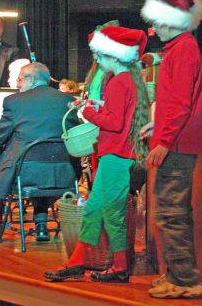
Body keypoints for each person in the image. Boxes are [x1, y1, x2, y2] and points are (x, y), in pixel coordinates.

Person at [44, 26, 149, 283]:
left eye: (100, 55)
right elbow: (122, 116)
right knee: (93, 210)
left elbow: (113, 123)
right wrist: (96, 106)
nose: (97, 60)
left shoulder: (117, 82)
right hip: (121, 153)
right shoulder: (130, 80)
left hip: (116, 155)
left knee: (111, 213)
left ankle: (121, 268)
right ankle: (77, 262)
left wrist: (86, 112)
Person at [139, 0, 202, 299]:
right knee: (173, 210)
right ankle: (177, 274)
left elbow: (181, 102)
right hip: (177, 139)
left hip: (178, 144)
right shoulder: (180, 48)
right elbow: (176, 101)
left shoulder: (183, 49)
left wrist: (163, 140)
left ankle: (185, 280)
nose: (154, 28)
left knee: (171, 212)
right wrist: (157, 124)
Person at [0, 62, 78, 243]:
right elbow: (75, 134)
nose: (17, 83)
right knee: (42, 170)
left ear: (30, 79)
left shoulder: (14, 101)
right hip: (61, 172)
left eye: (20, 79)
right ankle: (41, 226)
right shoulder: (65, 101)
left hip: (24, 173)